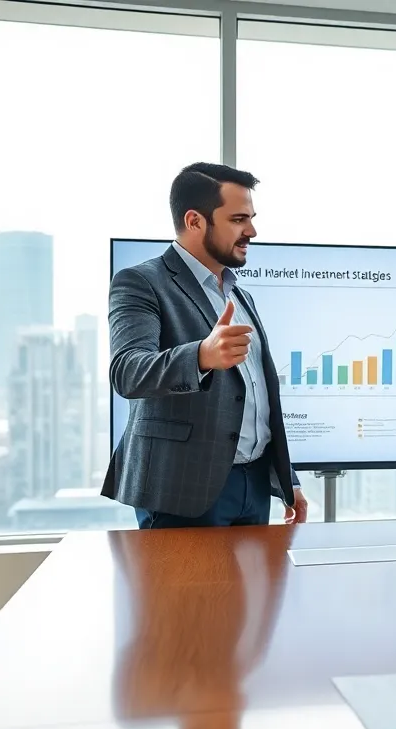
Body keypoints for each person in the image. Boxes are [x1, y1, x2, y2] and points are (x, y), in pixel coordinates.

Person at [103, 162, 308, 528]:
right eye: (238, 219)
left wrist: (286, 478)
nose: (252, 231)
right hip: (183, 489)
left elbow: (258, 397)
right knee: (185, 589)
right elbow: (127, 371)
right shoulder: (140, 282)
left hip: (255, 486)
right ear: (195, 221)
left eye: (251, 218)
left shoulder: (239, 295)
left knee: (253, 589)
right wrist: (201, 356)